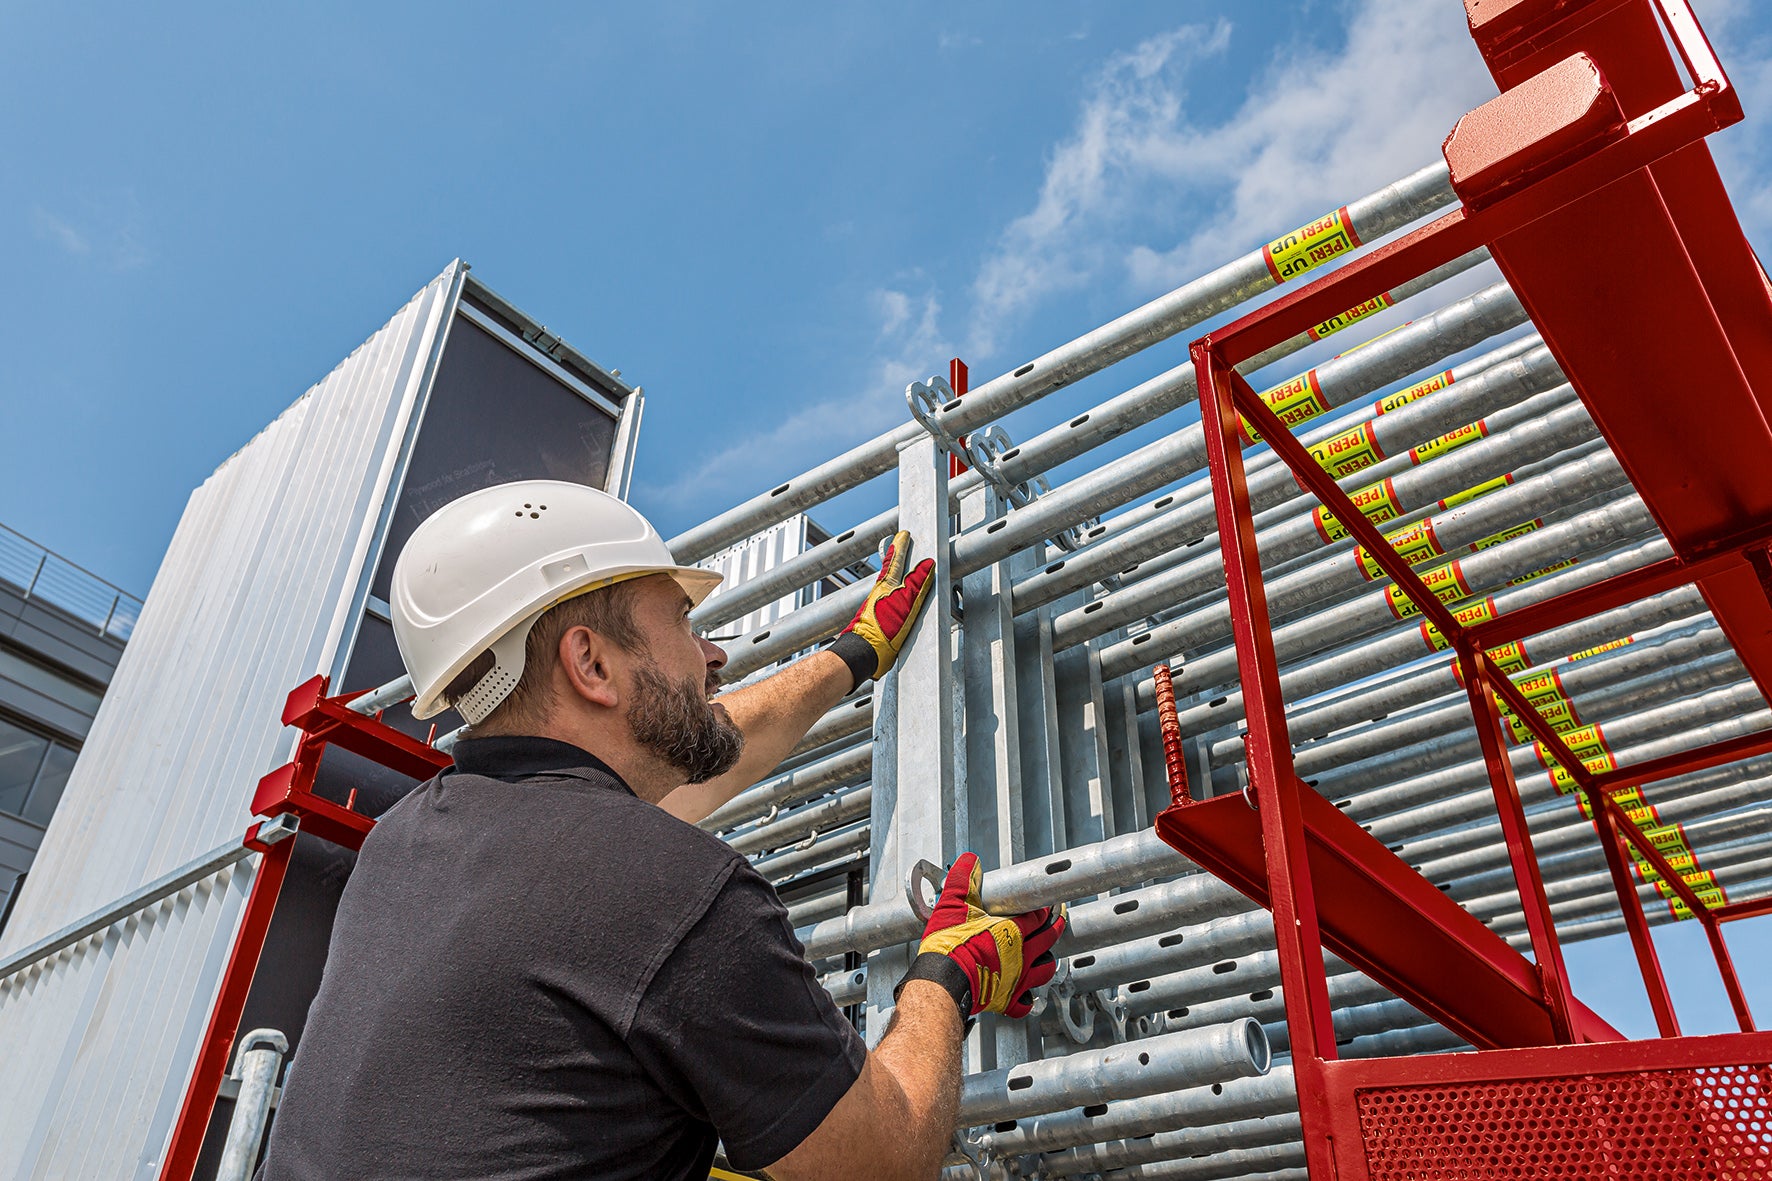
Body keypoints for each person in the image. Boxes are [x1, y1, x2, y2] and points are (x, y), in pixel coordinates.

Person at [258, 479, 1063, 1181]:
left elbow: (702, 765)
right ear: (592, 663)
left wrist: (852, 655)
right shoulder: (670, 890)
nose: (711, 652)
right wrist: (947, 980)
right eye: (681, 620)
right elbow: (882, 1160)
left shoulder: (406, 843)